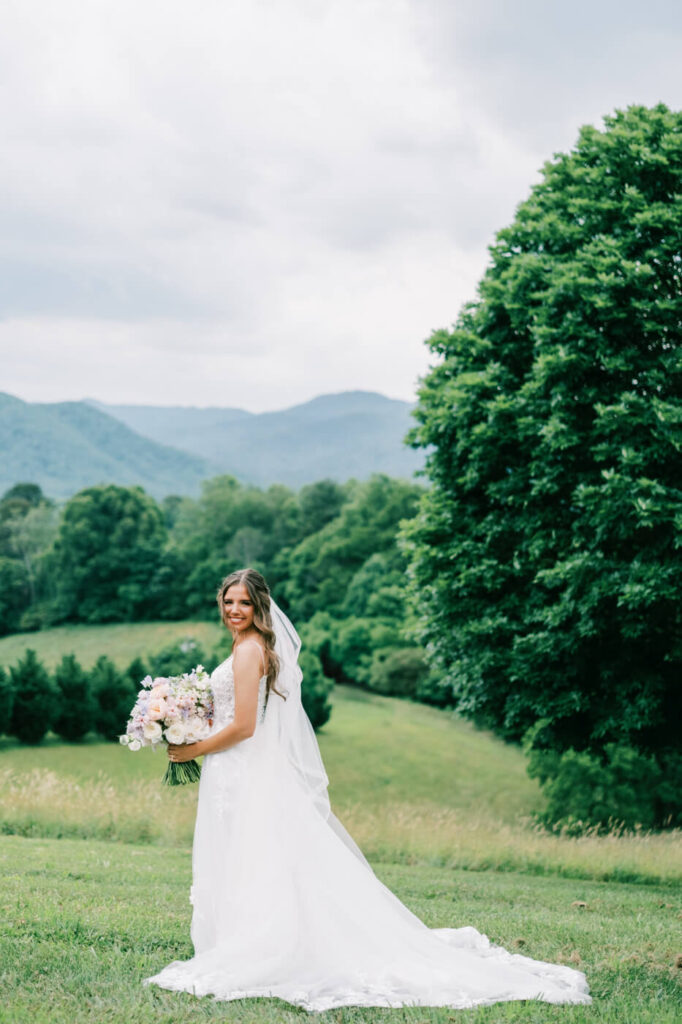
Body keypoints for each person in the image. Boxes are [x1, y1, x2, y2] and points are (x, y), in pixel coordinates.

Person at [144, 568, 591, 1011]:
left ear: (260, 605)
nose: (234, 610)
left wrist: (194, 747)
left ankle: (261, 947)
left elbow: (244, 726)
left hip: (240, 768)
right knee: (254, 856)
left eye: (244, 602)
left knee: (254, 855)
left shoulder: (248, 651)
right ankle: (250, 939)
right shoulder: (248, 646)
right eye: (228, 601)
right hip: (238, 769)